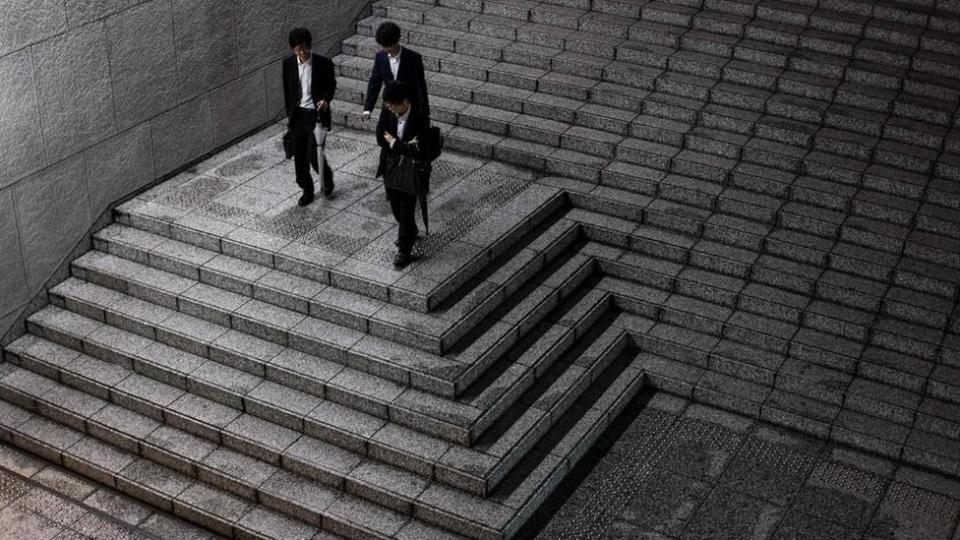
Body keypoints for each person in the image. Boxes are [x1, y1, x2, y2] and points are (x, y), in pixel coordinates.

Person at [376, 82, 429, 268]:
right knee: (397, 209)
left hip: (411, 172)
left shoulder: (420, 118)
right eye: (388, 105)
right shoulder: (387, 112)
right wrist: (404, 145)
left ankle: (404, 251)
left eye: (393, 105)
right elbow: (379, 137)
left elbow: (419, 150)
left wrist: (394, 143)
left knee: (406, 211)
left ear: (404, 101)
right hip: (391, 168)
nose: (390, 109)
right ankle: (411, 231)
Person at [282, 27, 336, 206]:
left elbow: (331, 85)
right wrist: (290, 115)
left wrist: (325, 100)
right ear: (292, 49)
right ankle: (307, 189)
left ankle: (326, 179)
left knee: (313, 152)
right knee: (299, 155)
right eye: (298, 49)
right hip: (298, 117)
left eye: (305, 47)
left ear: (310, 45)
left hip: (316, 115)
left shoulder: (323, 63)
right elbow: (287, 90)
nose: (302, 52)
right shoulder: (288, 64)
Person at [362, 22, 430, 123]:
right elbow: (374, 83)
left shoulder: (413, 58)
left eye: (389, 46)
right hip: (389, 108)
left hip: (408, 107)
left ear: (397, 40)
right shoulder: (381, 57)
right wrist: (367, 109)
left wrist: (424, 111)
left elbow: (420, 85)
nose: (386, 49)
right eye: (384, 46)